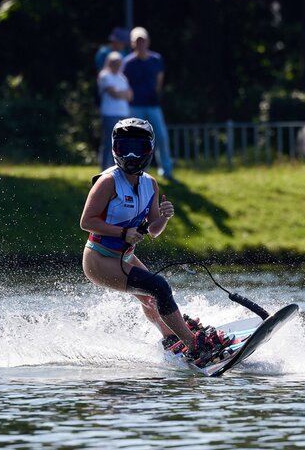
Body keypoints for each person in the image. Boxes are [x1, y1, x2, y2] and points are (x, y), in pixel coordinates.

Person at [79, 118, 232, 367]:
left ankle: (171, 337)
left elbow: (153, 230)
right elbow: (87, 221)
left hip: (124, 256)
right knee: (158, 287)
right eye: (123, 147)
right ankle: (195, 348)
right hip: (99, 259)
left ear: (149, 150)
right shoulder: (108, 181)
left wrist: (164, 216)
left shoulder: (150, 183)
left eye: (137, 148)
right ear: (114, 149)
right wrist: (123, 233)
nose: (130, 154)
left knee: (151, 298)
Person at [122, 27, 174, 180]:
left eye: (143, 40)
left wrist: (156, 93)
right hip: (135, 106)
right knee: (136, 140)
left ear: (148, 42)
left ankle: (166, 171)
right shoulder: (128, 62)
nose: (141, 44)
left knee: (161, 137)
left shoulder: (156, 59)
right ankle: (136, 171)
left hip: (153, 105)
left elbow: (159, 79)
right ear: (133, 43)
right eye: (137, 41)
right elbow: (124, 83)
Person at [97, 52, 132, 170]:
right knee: (109, 142)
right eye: (114, 63)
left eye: (119, 63)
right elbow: (114, 94)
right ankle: (104, 169)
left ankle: (118, 168)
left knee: (121, 143)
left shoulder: (122, 77)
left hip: (123, 114)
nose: (117, 65)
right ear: (109, 63)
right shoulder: (105, 75)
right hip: (109, 114)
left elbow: (130, 95)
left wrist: (120, 94)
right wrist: (123, 94)